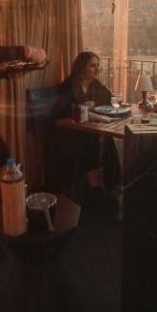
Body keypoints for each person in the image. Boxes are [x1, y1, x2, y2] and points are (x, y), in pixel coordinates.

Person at [48, 51, 119, 220]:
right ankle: (96, 190)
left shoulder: (94, 84)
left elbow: (107, 96)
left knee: (108, 141)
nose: (97, 69)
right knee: (90, 142)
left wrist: (93, 103)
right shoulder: (70, 84)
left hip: (86, 129)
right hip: (67, 133)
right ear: (81, 67)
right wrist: (82, 108)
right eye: (93, 65)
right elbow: (61, 110)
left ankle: (110, 185)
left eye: (98, 65)